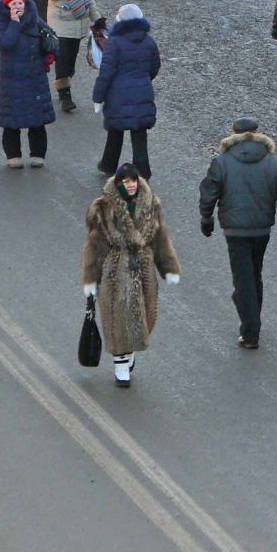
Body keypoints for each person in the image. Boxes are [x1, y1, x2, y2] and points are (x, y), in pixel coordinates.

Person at [198, 116, 277, 350]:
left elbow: (209, 192)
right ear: (257, 133)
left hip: (235, 230)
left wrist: (206, 217)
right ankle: (252, 317)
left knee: (242, 279)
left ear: (234, 135)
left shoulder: (221, 162)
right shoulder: (274, 162)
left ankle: (251, 330)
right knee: (254, 273)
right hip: (262, 229)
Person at [80, 163, 181, 388]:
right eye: (125, 181)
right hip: (116, 272)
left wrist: (168, 267)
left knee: (146, 317)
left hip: (144, 271)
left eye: (133, 180)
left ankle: (131, 349)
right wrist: (90, 277)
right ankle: (121, 366)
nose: (131, 185)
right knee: (117, 319)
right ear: (118, 183)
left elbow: (160, 237)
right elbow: (94, 245)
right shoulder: (103, 208)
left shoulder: (151, 204)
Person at [92, 3, 159, 177]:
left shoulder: (114, 43)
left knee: (115, 131)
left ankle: (108, 164)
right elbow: (154, 67)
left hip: (117, 95)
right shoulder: (149, 42)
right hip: (143, 92)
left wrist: (98, 97)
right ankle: (143, 171)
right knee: (139, 134)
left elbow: (106, 73)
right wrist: (143, 80)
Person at [0, 0, 55, 167]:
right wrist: (14, 23)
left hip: (35, 77)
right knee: (12, 121)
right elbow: (5, 44)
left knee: (37, 120)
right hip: (11, 80)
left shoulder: (36, 21)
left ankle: (38, 154)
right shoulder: (0, 25)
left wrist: (47, 55)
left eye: (20, 3)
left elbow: (49, 39)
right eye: (14, 4)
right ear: (7, 6)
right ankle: (13, 155)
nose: (18, 6)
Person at [40, 0, 97, 112]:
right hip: (60, 19)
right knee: (63, 58)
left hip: (78, 18)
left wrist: (97, 17)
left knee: (71, 59)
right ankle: (65, 95)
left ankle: (65, 83)